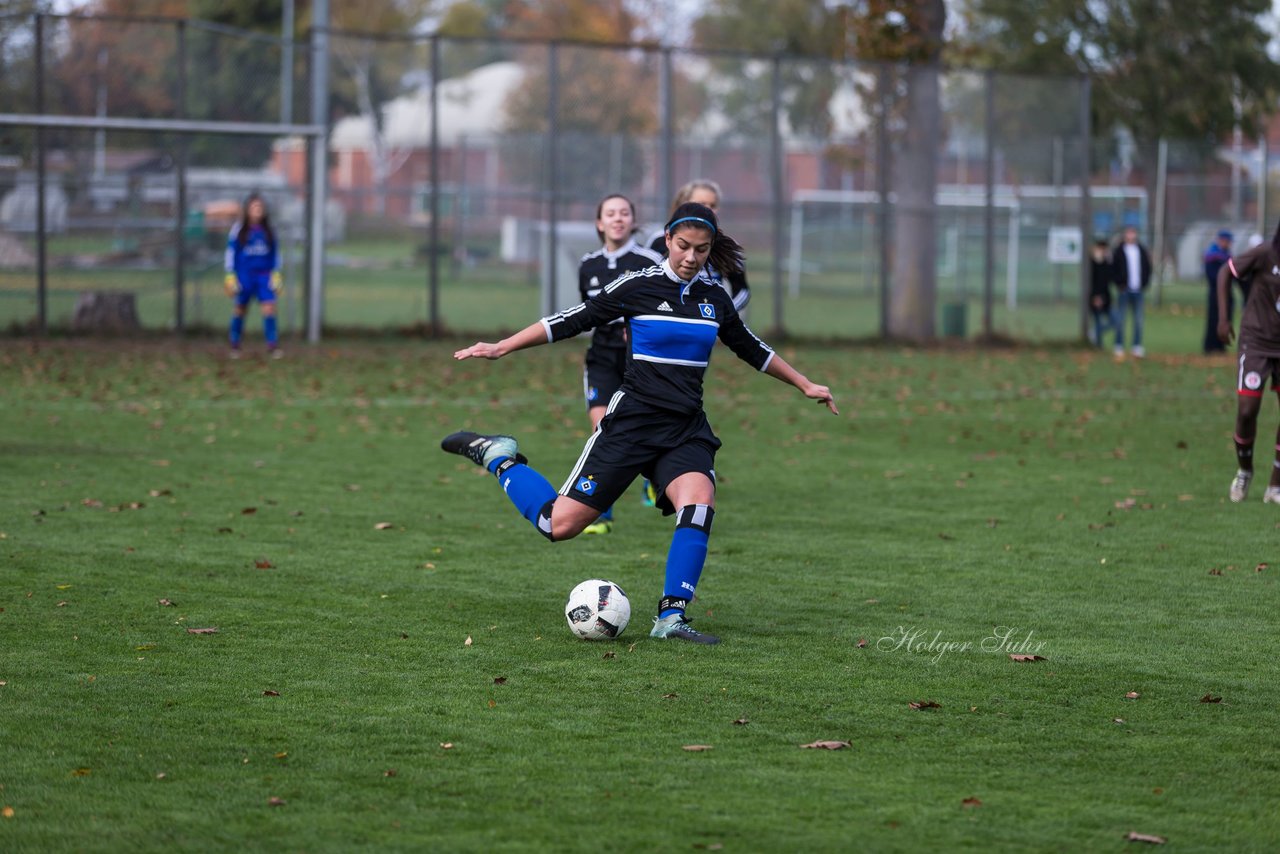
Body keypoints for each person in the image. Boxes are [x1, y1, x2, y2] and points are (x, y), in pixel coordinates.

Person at [441, 202, 838, 644]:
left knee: (699, 502)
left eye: (701, 250)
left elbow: (750, 347)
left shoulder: (713, 298)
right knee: (558, 525)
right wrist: (503, 346)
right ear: (667, 239)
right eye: (683, 246)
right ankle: (499, 457)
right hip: (632, 424)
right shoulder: (638, 286)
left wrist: (804, 384)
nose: (691, 257)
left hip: (684, 427)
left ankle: (671, 617)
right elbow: (574, 319)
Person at [575, 194, 664, 534]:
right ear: (600, 223)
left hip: (637, 358)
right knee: (602, 432)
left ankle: (653, 476)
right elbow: (587, 312)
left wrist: (641, 328)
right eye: (610, 213)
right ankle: (601, 514)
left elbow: (663, 305)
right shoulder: (588, 264)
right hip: (601, 357)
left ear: (632, 221)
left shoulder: (649, 260)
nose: (618, 219)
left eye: (624, 213)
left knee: (644, 427)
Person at [1217, 219, 1280, 504]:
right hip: (1255, 343)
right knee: (1246, 410)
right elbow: (1224, 273)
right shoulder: (1264, 254)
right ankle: (1244, 470)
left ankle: (1275, 487)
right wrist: (1223, 318)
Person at [648, 179, 750, 314]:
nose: (708, 209)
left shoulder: (725, 246)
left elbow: (742, 291)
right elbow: (645, 283)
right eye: (701, 203)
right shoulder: (659, 240)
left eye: (712, 205)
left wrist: (722, 314)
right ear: (684, 203)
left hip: (705, 316)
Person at [224, 193, 282, 359]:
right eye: (254, 207)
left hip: (264, 276)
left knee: (269, 308)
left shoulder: (269, 231)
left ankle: (272, 345)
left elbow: (276, 254)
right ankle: (235, 344)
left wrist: (276, 273)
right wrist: (230, 274)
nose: (257, 210)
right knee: (240, 309)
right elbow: (231, 252)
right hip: (244, 275)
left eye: (260, 207)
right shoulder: (238, 230)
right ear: (247, 210)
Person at [1110, 225, 1152, 358]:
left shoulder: (1141, 250)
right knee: (1121, 319)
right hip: (1124, 290)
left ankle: (1137, 346)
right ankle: (1118, 345)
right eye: (1128, 233)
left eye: (1133, 232)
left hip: (1138, 290)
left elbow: (1147, 268)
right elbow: (1114, 270)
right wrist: (1119, 283)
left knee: (1138, 320)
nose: (1131, 235)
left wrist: (1144, 283)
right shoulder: (1119, 251)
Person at [1203, 229, 1233, 354]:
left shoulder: (1228, 256)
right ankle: (1211, 346)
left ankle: (1221, 346)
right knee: (1214, 319)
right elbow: (1212, 276)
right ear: (1221, 240)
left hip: (1227, 293)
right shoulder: (1212, 256)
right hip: (1215, 292)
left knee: (1227, 318)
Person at [1088, 238, 1113, 348]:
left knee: (1115, 320)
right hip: (1095, 297)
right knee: (1098, 320)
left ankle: (1094, 333)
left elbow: (1109, 279)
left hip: (1106, 298)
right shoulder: (1091, 264)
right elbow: (1092, 282)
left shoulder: (1107, 264)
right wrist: (1095, 296)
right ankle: (1098, 345)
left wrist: (1107, 261)